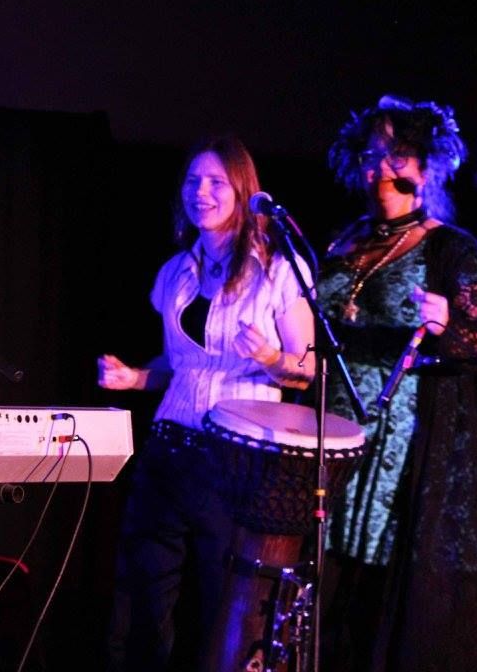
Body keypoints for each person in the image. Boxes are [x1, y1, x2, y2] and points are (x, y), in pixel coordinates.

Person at [317, 95, 477, 671]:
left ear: (427, 166)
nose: (381, 167)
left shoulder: (449, 247)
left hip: (401, 439)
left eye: (397, 154)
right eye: (371, 154)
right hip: (332, 426)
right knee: (324, 582)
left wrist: (449, 323)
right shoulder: (345, 242)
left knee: (377, 589)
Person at [99, 136, 315, 671]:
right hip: (170, 446)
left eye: (216, 182)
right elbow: (180, 365)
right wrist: (135, 378)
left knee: (222, 598)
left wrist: (271, 357)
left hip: (234, 455)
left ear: (243, 190)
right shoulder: (176, 271)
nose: (201, 191)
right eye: (194, 181)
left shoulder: (279, 271)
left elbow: (308, 368)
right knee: (145, 594)